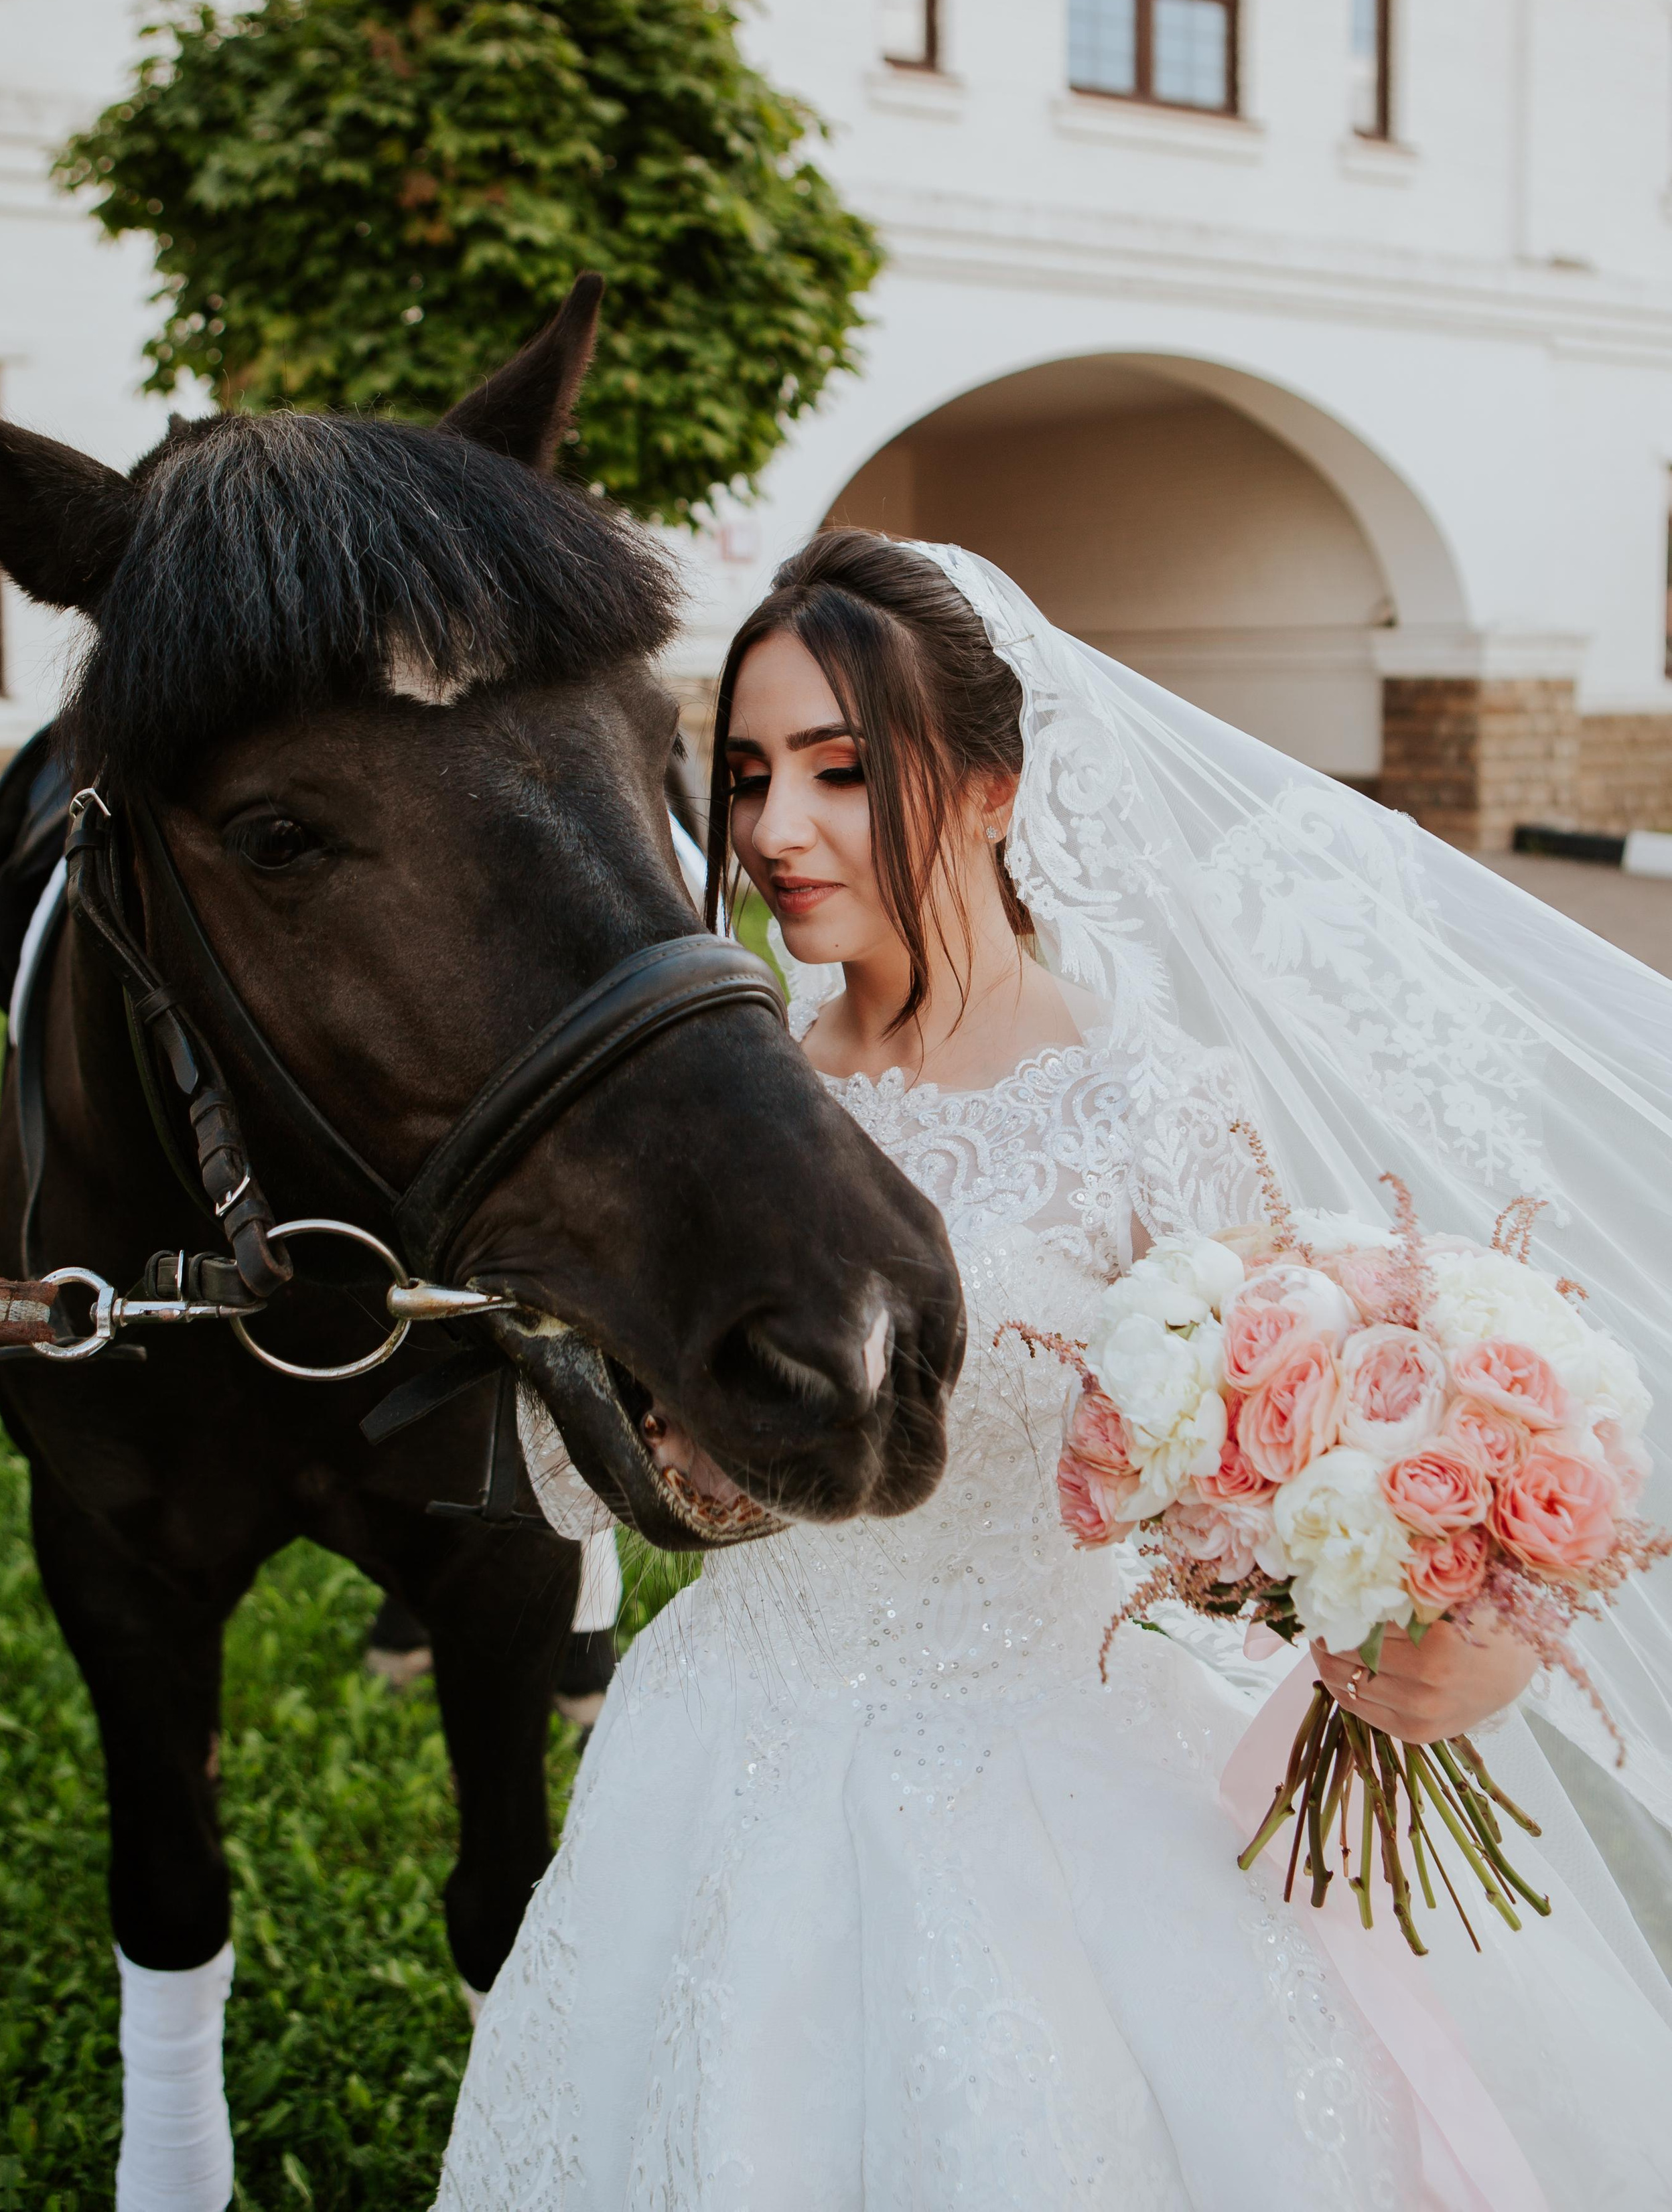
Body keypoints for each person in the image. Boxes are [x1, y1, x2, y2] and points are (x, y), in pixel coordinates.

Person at [438, 532, 1672, 2209]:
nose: (770, 830)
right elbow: (595, 1474)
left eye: (840, 771)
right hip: (726, 1753)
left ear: (998, 787)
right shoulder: (710, 1108)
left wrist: (1459, 1640)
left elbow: (1295, 1468)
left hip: (1061, 1779)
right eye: (743, 775)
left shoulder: (1148, 1102)